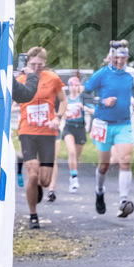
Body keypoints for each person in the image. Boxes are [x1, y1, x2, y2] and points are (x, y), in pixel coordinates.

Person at [83, 40, 134, 219]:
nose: (120, 61)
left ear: (127, 58)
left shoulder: (131, 73)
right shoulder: (101, 74)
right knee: (104, 165)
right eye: (116, 58)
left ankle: (123, 201)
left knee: (125, 160)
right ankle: (99, 191)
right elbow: (84, 95)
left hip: (123, 124)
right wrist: (102, 101)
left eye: (123, 58)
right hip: (103, 124)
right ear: (110, 57)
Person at [15, 47, 66, 229]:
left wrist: (57, 118)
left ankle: (37, 185)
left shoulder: (52, 78)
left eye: (40, 64)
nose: (36, 67)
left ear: (45, 63)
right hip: (27, 131)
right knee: (32, 174)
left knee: (44, 181)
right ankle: (33, 214)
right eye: (33, 64)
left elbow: (64, 100)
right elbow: (10, 101)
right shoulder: (21, 80)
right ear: (28, 63)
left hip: (47, 133)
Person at [61, 76, 92, 192]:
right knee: (71, 151)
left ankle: (72, 175)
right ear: (68, 87)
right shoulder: (66, 99)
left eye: (76, 85)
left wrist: (84, 108)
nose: (74, 87)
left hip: (80, 128)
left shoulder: (82, 98)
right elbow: (61, 112)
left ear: (79, 87)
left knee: (76, 157)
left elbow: (93, 110)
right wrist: (66, 114)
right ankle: (74, 178)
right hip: (69, 127)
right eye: (71, 85)